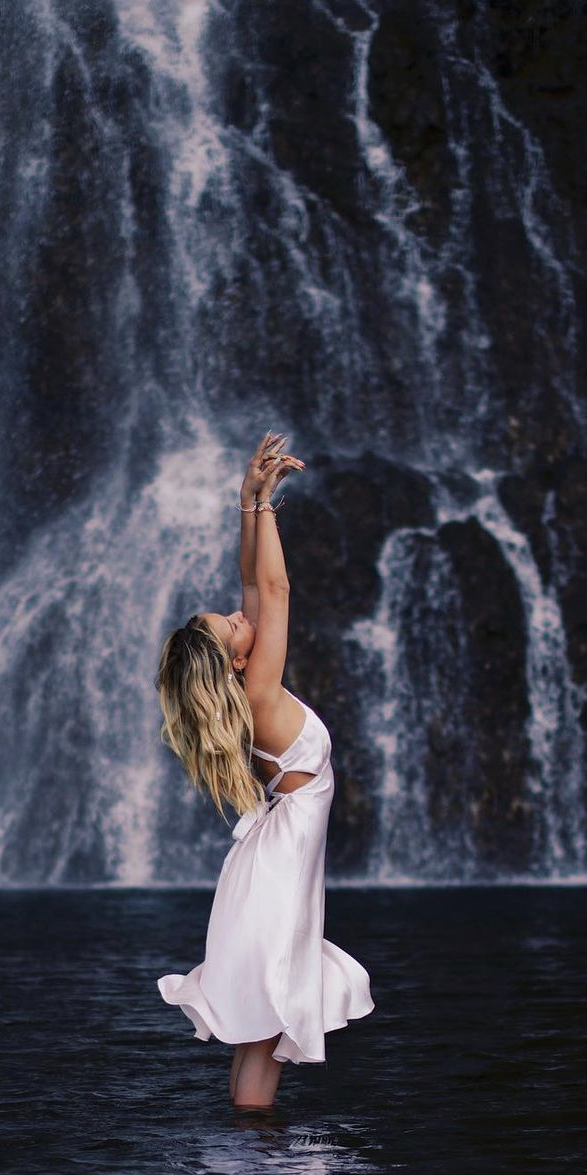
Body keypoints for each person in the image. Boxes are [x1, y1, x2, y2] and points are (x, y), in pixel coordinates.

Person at [155, 431, 374, 1109]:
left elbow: (256, 584)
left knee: (263, 1033)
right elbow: (274, 584)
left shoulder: (246, 690)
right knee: (266, 1030)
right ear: (237, 663)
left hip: (274, 864)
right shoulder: (260, 694)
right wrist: (268, 506)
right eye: (231, 625)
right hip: (276, 873)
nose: (240, 612)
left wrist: (249, 502)